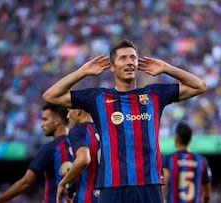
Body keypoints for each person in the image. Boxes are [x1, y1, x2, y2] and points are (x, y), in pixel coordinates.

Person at [42, 39, 208, 203]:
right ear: (112, 67)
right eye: (123, 58)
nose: (129, 62)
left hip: (149, 184)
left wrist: (167, 68)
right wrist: (82, 72)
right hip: (112, 186)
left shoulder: (154, 94)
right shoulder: (98, 97)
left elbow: (199, 86)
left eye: (133, 58)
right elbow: (50, 96)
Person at [0, 103, 72, 203]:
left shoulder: (50, 148)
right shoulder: (80, 147)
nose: (42, 124)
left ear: (57, 121)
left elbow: (26, 182)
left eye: (45, 119)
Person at [56, 108, 100, 203]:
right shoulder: (103, 130)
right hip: (106, 196)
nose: (67, 116)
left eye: (69, 111)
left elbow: (83, 160)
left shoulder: (78, 130)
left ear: (78, 111)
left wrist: (63, 183)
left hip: (87, 197)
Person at [162, 122, 212, 203]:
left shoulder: (168, 159)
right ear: (191, 139)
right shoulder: (202, 161)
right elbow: (207, 194)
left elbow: (163, 187)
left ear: (176, 137)